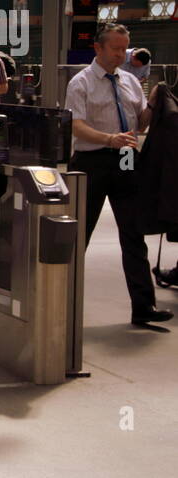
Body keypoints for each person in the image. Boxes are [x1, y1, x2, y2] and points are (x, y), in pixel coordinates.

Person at [64, 23, 171, 327]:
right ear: (98, 48)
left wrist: (154, 102)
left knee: (133, 233)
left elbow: (140, 122)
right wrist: (108, 138)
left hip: (125, 158)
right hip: (92, 159)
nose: (122, 54)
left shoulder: (131, 82)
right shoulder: (81, 83)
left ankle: (143, 306)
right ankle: (60, 302)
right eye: (116, 48)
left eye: (125, 48)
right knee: (78, 232)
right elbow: (77, 125)